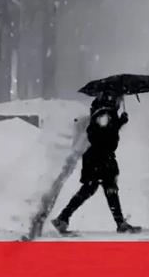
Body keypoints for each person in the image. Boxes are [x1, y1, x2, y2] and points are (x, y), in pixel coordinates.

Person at [51, 92, 141, 234]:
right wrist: (118, 123)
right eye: (119, 98)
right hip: (100, 158)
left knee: (100, 190)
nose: (120, 101)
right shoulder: (105, 114)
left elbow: (105, 134)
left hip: (99, 158)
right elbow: (100, 135)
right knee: (101, 189)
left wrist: (119, 122)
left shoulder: (105, 113)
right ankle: (63, 218)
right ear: (112, 99)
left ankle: (63, 218)